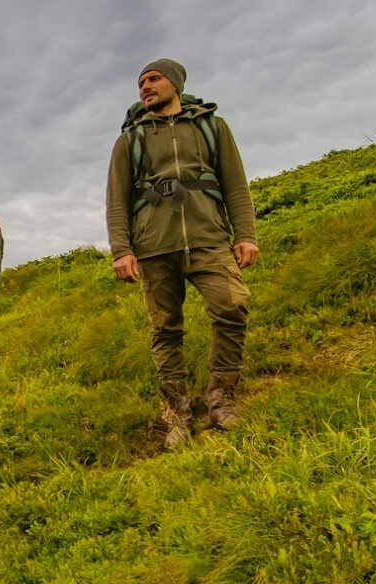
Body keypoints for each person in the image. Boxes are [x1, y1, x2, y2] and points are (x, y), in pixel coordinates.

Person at [105, 58, 260, 447]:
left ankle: (222, 396)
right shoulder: (130, 140)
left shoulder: (212, 128)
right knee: (165, 328)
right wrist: (122, 250)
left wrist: (246, 235)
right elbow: (117, 201)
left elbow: (235, 185)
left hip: (209, 237)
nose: (145, 87)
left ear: (175, 83)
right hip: (154, 246)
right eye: (141, 82)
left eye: (154, 79)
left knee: (232, 305)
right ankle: (176, 410)